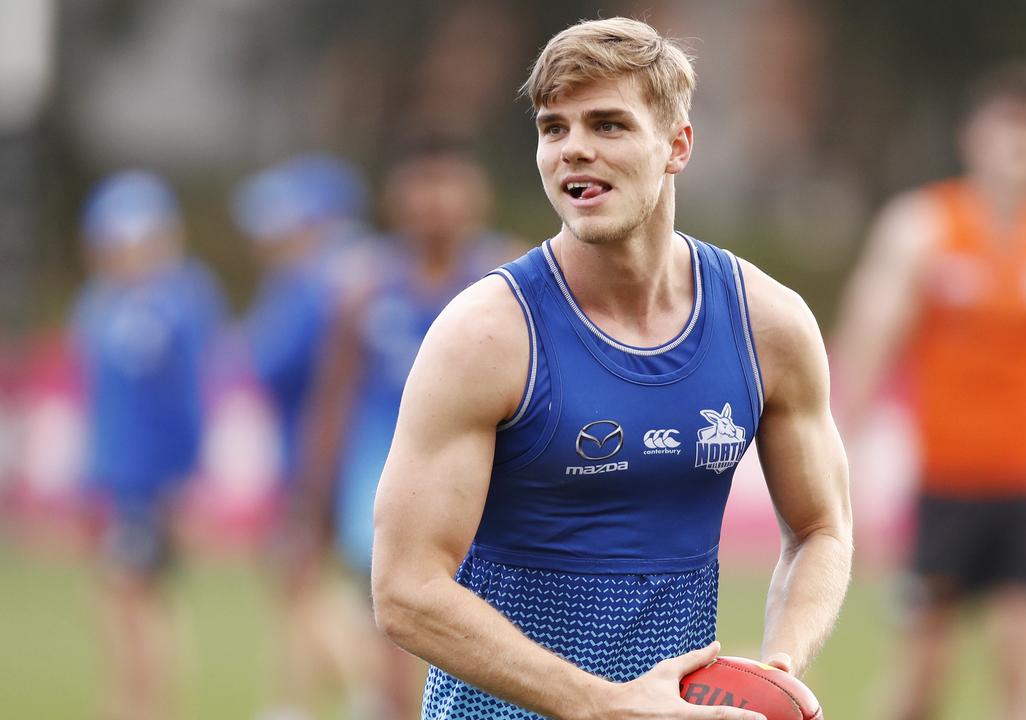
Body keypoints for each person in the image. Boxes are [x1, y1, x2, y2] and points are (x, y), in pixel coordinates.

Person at [368, 17, 853, 720]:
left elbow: (822, 528)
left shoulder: (768, 324)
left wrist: (774, 668)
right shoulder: (486, 336)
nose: (574, 151)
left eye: (607, 125)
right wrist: (601, 705)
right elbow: (405, 590)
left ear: (676, 145)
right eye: (553, 127)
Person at [832, 61, 1026, 720]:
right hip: (941, 488)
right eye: (1009, 125)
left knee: (1025, 674)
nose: (1021, 145)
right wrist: (840, 478)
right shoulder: (920, 228)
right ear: (974, 134)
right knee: (921, 679)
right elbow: (861, 352)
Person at [295, 139, 518, 718]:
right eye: (422, 185)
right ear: (397, 199)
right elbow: (333, 398)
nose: (435, 202)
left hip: (486, 489)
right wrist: (312, 504)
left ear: (476, 196)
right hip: (379, 485)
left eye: (448, 184)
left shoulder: (508, 281)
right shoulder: (365, 285)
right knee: (397, 629)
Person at [72, 171, 226, 720]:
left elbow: (186, 405)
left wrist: (179, 483)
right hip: (115, 483)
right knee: (123, 609)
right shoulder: (102, 303)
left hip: (149, 486)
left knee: (138, 607)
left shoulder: (174, 305)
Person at [234, 154, 379, 720]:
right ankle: (293, 699)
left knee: (302, 582)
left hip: (314, 461)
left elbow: (267, 361)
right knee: (301, 584)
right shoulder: (354, 273)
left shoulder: (314, 280)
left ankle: (367, 692)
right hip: (339, 457)